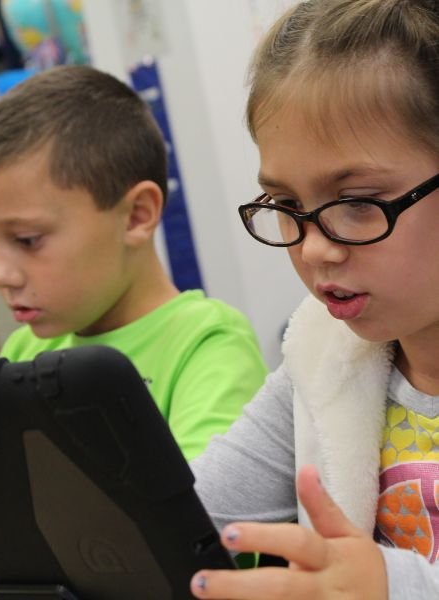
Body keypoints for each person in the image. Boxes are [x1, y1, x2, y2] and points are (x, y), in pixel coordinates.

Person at [188, 1, 439, 598]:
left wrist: (391, 586)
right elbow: (187, 521)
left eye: (357, 202)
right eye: (287, 206)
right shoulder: (325, 357)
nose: (314, 248)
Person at [0, 65, 268, 460]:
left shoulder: (206, 343)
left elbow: (201, 498)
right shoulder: (23, 350)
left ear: (136, 216)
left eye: (27, 239)